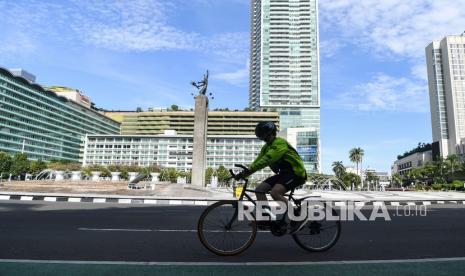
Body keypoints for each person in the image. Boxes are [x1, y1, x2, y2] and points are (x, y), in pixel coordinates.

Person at [235, 121, 307, 226]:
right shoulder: (265, 147)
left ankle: (296, 215)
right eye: (261, 135)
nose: (263, 137)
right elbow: (257, 162)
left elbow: (268, 159)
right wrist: (244, 174)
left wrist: (249, 170)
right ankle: (265, 218)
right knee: (259, 190)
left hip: (296, 173)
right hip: (283, 174)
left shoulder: (279, 143)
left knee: (275, 193)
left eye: (263, 134)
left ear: (270, 133)